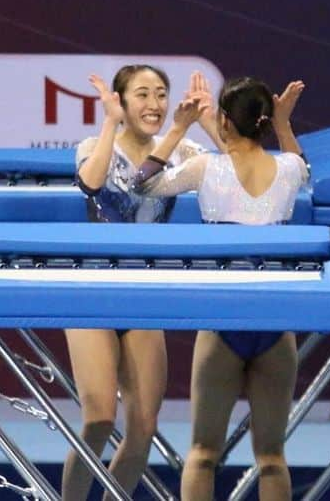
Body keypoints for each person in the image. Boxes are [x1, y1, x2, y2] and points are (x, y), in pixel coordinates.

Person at [132, 75, 308, 501]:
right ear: (265, 122)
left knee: (203, 453)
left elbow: (143, 183)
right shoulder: (289, 170)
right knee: (271, 457)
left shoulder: (205, 168)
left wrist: (181, 127)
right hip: (275, 324)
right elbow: (300, 167)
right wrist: (283, 124)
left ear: (227, 122)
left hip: (220, 325)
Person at [63, 66, 219, 500]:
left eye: (161, 94)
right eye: (143, 94)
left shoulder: (184, 149)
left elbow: (238, 173)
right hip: (92, 293)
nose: (154, 104)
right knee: (97, 420)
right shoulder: (94, 146)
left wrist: (208, 126)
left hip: (143, 295)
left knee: (144, 429)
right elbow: (94, 185)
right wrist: (110, 122)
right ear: (121, 100)